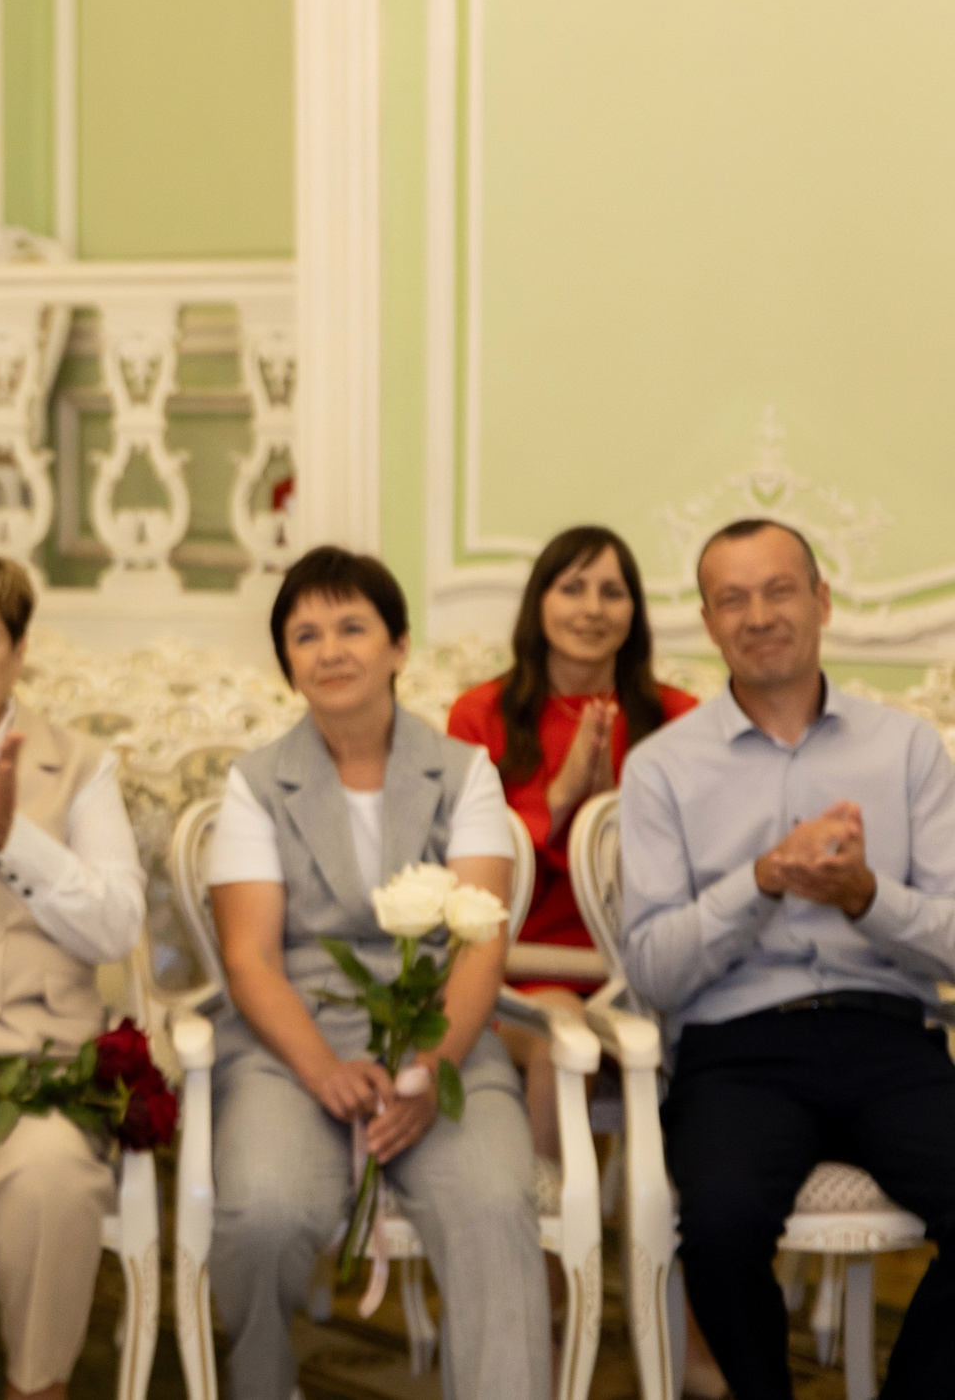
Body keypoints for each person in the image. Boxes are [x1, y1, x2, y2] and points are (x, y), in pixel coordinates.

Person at [619, 518, 955, 1400]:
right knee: (721, 1226)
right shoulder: (661, 769)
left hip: (892, 1037)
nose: (759, 614)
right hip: (738, 1050)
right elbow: (651, 968)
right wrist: (760, 879)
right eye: (733, 597)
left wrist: (864, 897)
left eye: (779, 590)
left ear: (822, 602)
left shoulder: (908, 747)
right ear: (708, 620)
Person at [205, 547, 550, 1400]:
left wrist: (431, 1070)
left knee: (497, 1205)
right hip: (294, 1043)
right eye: (306, 633)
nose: (330, 649)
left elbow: (480, 939)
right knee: (261, 1209)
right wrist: (323, 1069)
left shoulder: (465, 772)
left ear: (399, 645)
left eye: (352, 626)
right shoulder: (255, 785)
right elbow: (249, 957)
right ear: (287, 662)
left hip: (445, 1035)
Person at [0, 553, 146, 1400]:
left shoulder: (83, 765)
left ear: (19, 649)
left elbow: (118, 921)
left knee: (54, 1177)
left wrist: (17, 842)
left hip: (39, 1063)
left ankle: (35, 1388)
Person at [446, 525, 698, 1162]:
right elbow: (467, 862)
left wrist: (617, 817)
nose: (592, 609)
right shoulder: (480, 713)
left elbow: (696, 862)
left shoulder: (679, 718)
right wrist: (557, 801)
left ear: (634, 614)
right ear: (540, 603)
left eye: (612, 592)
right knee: (566, 1032)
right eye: (573, 588)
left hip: (643, 965)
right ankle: (553, 1245)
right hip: (523, 965)